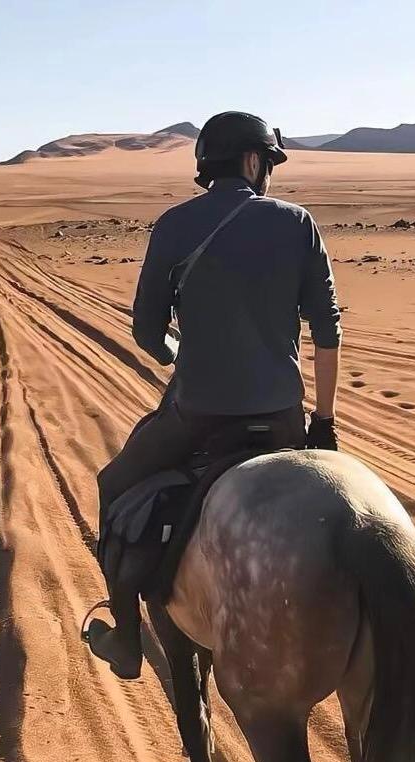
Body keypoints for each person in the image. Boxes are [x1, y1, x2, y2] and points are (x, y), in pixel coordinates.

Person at [85, 110, 343, 680]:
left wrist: (178, 355)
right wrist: (322, 421)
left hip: (198, 414)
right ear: (253, 161)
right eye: (268, 163)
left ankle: (128, 639)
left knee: (113, 484)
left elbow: (147, 332)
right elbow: (328, 330)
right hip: (280, 419)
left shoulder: (174, 225)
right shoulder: (298, 223)